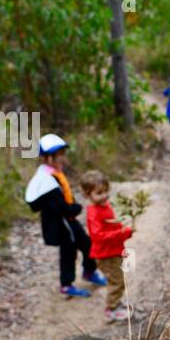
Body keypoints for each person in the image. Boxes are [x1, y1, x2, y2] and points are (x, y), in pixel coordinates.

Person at [24, 134, 108, 298]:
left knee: (86, 243)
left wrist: (72, 207)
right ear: (48, 158)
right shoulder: (46, 180)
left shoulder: (53, 173)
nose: (62, 158)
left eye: (62, 153)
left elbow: (64, 195)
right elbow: (61, 207)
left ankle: (89, 271)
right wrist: (76, 208)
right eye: (59, 154)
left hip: (68, 221)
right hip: (60, 224)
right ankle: (66, 284)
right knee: (68, 252)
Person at [80, 169, 134, 321]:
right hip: (105, 254)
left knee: (117, 280)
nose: (103, 195)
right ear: (87, 195)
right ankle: (111, 310)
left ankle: (116, 303)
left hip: (114, 250)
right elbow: (98, 236)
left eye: (105, 191)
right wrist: (122, 233)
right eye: (98, 193)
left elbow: (113, 226)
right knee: (116, 281)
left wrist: (125, 232)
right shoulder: (94, 212)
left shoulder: (105, 206)